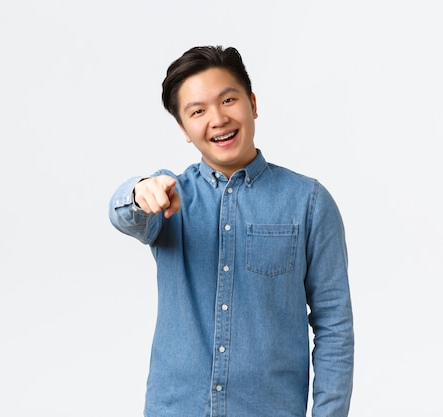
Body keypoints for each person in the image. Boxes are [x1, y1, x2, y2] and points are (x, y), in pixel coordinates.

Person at [109, 45, 354, 417]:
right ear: (184, 129)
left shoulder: (309, 202)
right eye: (198, 111)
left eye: (228, 100)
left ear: (253, 103)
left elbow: (334, 324)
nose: (218, 119)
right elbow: (125, 215)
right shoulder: (170, 195)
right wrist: (140, 191)